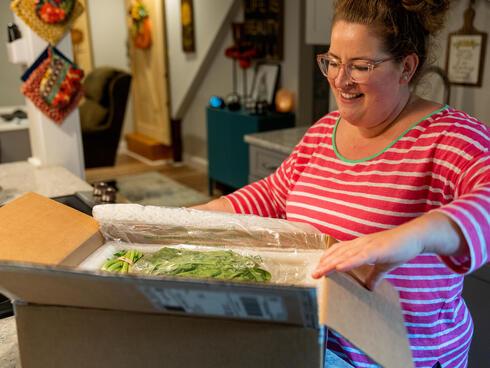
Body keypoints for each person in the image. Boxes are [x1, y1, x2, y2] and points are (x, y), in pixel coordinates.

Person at [193, 0, 489, 366]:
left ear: (406, 67)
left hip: (399, 357)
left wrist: (407, 237)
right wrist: (194, 217)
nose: (339, 79)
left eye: (360, 66)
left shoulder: (450, 138)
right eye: (332, 61)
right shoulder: (324, 131)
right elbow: (272, 194)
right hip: (317, 341)